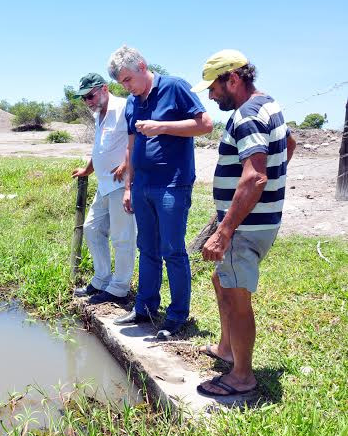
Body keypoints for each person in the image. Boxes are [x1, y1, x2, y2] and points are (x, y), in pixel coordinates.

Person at [191, 50, 296, 397]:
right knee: (221, 280)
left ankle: (241, 376)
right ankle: (225, 349)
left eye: (214, 88)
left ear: (232, 79)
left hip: (246, 226)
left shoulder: (247, 115)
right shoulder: (268, 104)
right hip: (257, 220)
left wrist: (224, 230)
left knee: (237, 296)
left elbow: (254, 179)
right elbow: (289, 142)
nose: (210, 96)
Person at [107, 46, 213, 339]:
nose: (126, 87)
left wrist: (162, 127)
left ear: (142, 66)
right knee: (147, 248)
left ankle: (178, 316)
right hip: (142, 185)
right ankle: (146, 307)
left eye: (128, 79)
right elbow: (131, 145)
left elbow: (205, 125)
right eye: (122, 83)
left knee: (173, 250)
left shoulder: (175, 87)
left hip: (172, 183)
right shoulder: (132, 101)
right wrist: (128, 186)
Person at [72, 73, 137, 304]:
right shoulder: (99, 113)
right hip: (104, 185)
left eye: (91, 95)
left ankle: (119, 288)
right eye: (84, 98)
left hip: (122, 184)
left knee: (122, 238)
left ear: (105, 89)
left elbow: (136, 139)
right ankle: (101, 279)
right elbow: (99, 147)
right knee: (91, 228)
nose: (88, 101)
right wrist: (88, 169)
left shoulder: (124, 106)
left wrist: (126, 164)